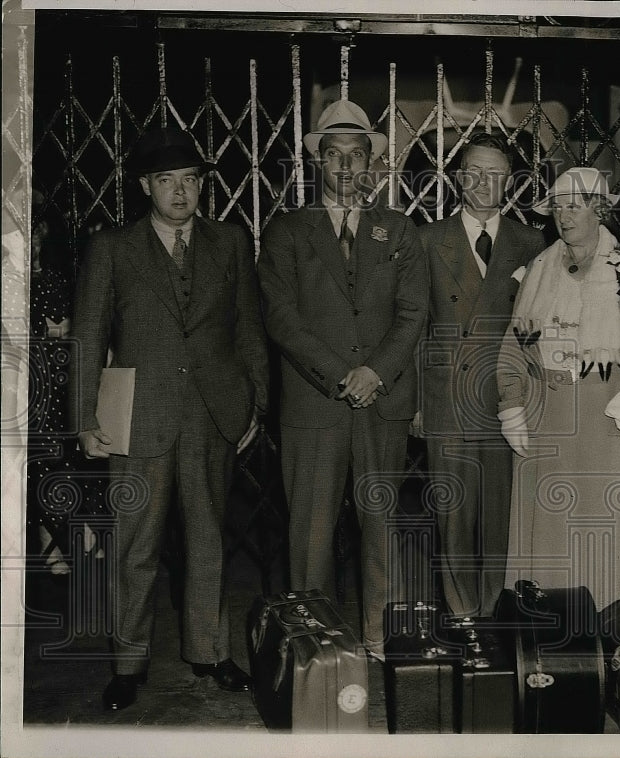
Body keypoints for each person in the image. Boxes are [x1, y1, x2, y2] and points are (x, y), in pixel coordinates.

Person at [71, 127, 269, 711]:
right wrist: (85, 417)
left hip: (213, 414)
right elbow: (88, 335)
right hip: (137, 416)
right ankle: (128, 664)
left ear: (202, 185)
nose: (180, 193)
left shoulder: (231, 242)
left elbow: (248, 328)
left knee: (210, 541)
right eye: (166, 181)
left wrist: (253, 402)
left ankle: (209, 652)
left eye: (190, 180)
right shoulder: (113, 247)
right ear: (144, 186)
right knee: (136, 546)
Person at [257, 99, 428, 658]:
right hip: (315, 404)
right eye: (335, 156)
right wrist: (340, 375)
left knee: (380, 524)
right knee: (310, 532)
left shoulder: (398, 229)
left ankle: (380, 636)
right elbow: (282, 318)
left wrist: (375, 372)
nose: (348, 167)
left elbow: (413, 313)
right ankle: (315, 643)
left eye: (358, 156)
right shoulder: (287, 231)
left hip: (383, 401)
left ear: (372, 166)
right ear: (318, 165)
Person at [497, 166, 620, 612]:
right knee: (548, 523)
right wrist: (511, 404)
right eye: (557, 206)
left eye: (575, 206)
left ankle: (602, 626)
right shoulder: (538, 267)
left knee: (603, 521)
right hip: (548, 410)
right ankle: (546, 626)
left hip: (607, 410)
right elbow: (515, 344)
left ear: (599, 210)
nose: (564, 216)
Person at [415, 132, 546, 617]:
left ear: (509, 180)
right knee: (452, 517)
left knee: (500, 516)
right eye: (473, 171)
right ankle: (460, 614)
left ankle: (494, 612)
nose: (483, 182)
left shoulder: (531, 242)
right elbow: (412, 323)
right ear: (457, 177)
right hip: (446, 397)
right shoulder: (427, 238)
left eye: (495, 173)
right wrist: (414, 402)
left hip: (505, 400)